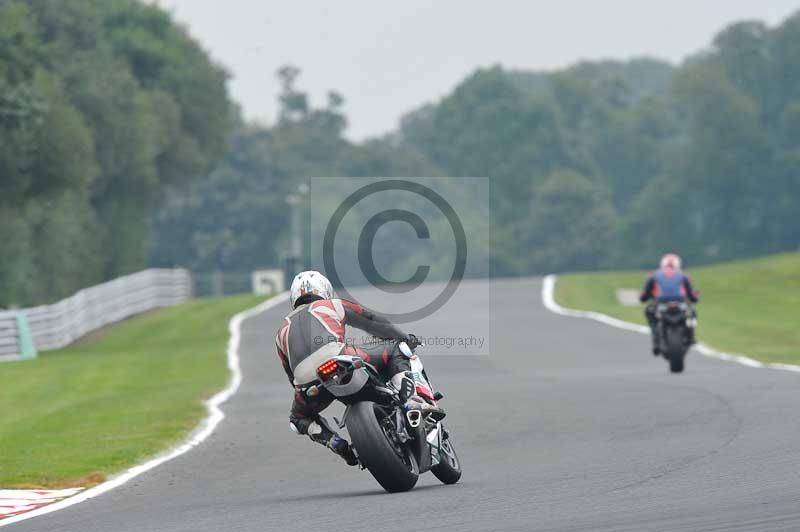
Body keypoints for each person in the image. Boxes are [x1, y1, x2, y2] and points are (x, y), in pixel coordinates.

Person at [274, 270, 425, 465]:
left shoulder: (281, 331)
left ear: (293, 298)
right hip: (339, 360)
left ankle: (334, 442)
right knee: (396, 348)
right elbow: (372, 322)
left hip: (308, 382)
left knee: (297, 419)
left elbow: (290, 375)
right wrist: (403, 338)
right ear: (325, 290)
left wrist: (306, 392)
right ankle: (410, 401)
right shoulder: (332, 304)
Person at [639, 253, 699, 354]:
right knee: (692, 312)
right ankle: (691, 336)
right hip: (680, 301)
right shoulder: (683, 275)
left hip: (661, 301)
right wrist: (694, 299)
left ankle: (656, 341)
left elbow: (646, 293)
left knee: (650, 313)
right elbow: (691, 293)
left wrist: (643, 298)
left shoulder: (654, 275)